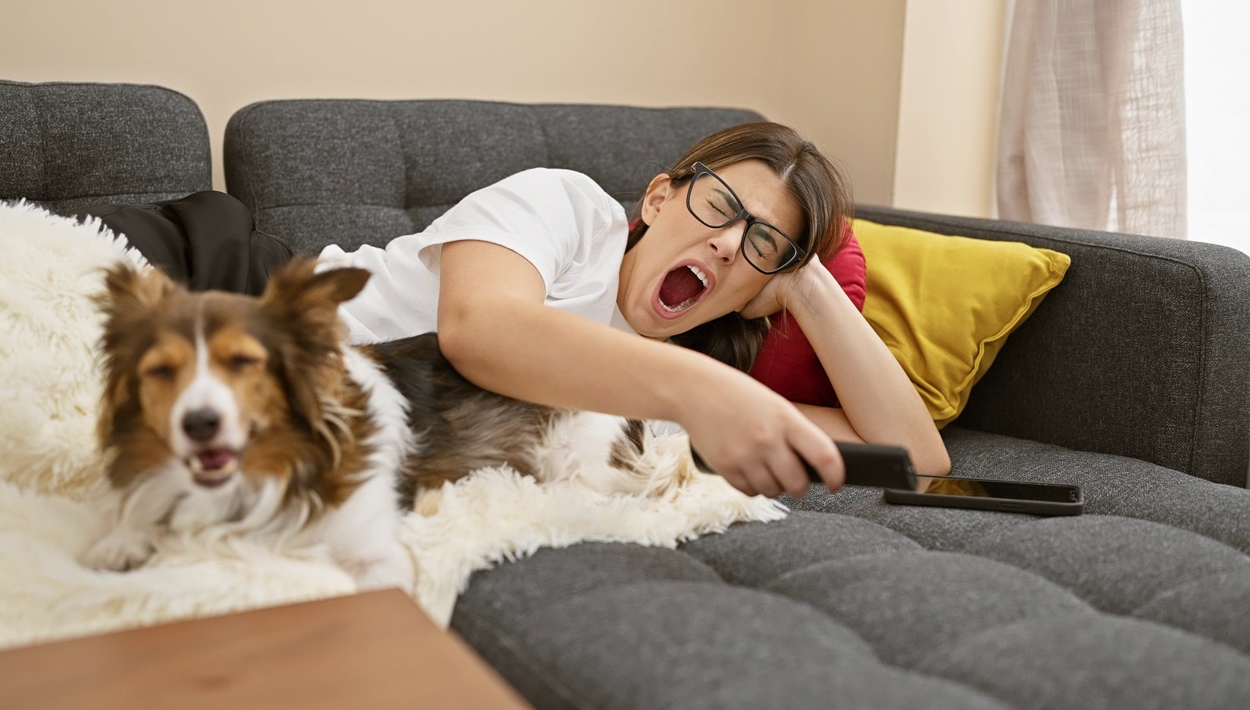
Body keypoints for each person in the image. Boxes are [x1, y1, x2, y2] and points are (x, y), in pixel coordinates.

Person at [318, 121, 950, 498]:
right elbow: (477, 330)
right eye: (721, 206)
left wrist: (805, 283)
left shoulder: (686, 389)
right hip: (271, 322)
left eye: (762, 242)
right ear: (656, 200)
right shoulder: (567, 210)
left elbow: (918, 459)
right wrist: (698, 392)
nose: (729, 244)